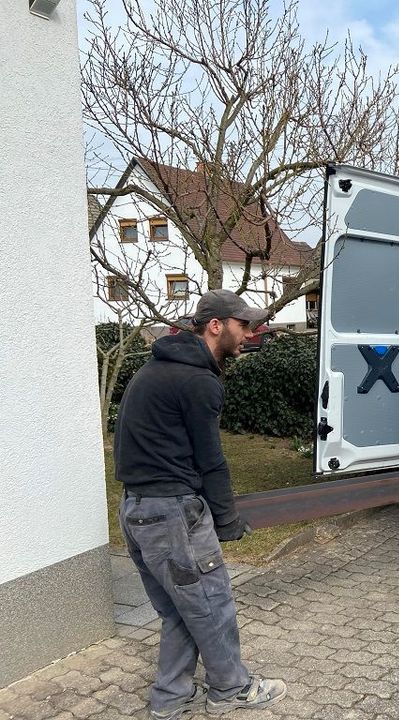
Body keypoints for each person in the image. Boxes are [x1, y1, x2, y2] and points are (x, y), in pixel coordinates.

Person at [114, 289, 286, 719]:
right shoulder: (197, 381)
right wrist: (226, 520)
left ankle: (169, 699)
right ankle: (230, 689)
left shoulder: (154, 369)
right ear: (216, 326)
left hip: (136, 510)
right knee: (211, 604)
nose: (251, 333)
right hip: (171, 515)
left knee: (179, 609)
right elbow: (211, 460)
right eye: (244, 325)